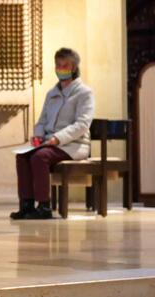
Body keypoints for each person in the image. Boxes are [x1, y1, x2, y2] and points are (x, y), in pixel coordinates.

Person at [10, 48, 94, 220]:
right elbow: (41, 121)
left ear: (74, 67)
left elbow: (82, 124)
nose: (61, 69)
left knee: (39, 157)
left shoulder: (84, 93)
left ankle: (44, 206)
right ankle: (27, 205)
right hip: (49, 143)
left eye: (65, 65)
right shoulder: (52, 94)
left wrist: (58, 138)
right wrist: (38, 135)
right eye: (58, 65)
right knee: (22, 157)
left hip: (73, 144)